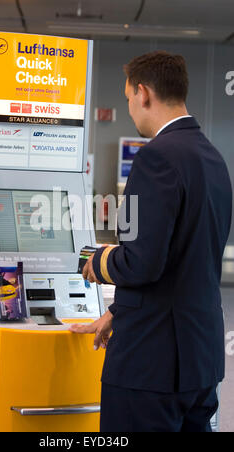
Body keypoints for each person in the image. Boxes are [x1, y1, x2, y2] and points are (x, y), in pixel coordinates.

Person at [70, 51, 233, 432]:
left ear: (143, 93)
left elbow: (142, 261)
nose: (130, 109)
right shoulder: (212, 157)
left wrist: (99, 260)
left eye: (128, 98)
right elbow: (185, 261)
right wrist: (120, 311)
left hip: (151, 365)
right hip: (200, 360)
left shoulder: (156, 157)